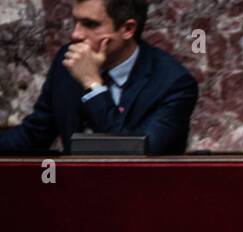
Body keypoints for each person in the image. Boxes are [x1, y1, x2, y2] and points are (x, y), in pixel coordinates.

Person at [0, 0, 197, 155]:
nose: (76, 35)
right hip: (76, 194)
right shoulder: (67, 61)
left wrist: (93, 86)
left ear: (128, 29)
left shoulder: (173, 83)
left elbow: (136, 157)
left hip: (141, 197)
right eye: (75, 22)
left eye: (89, 24)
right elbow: (33, 135)